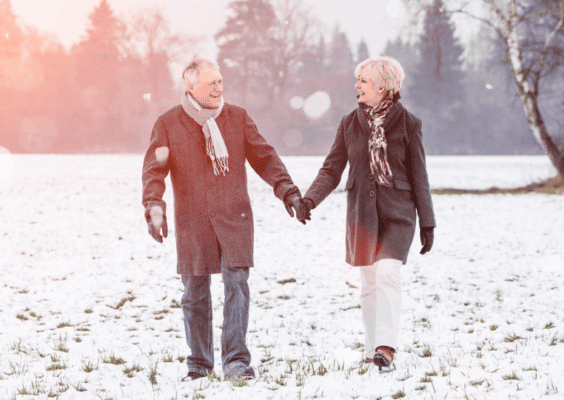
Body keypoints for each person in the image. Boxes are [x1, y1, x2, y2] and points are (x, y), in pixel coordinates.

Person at [142, 57, 307, 381]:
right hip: (193, 221)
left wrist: (287, 190)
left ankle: (235, 362)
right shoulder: (168, 123)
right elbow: (154, 171)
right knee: (195, 294)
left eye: (219, 81)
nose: (218, 88)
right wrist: (154, 207)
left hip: (235, 217)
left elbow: (265, 157)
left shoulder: (237, 118)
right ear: (190, 86)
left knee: (237, 286)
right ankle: (199, 364)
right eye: (210, 83)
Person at [302, 56, 435, 372]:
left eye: (363, 80)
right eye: (357, 80)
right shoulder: (350, 123)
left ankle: (386, 346)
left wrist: (428, 222)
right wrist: (309, 200)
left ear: (382, 85)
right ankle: (372, 345)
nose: (357, 85)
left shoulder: (409, 124)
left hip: (399, 213)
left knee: (388, 271)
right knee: (370, 281)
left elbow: (419, 175)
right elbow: (332, 168)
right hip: (362, 213)